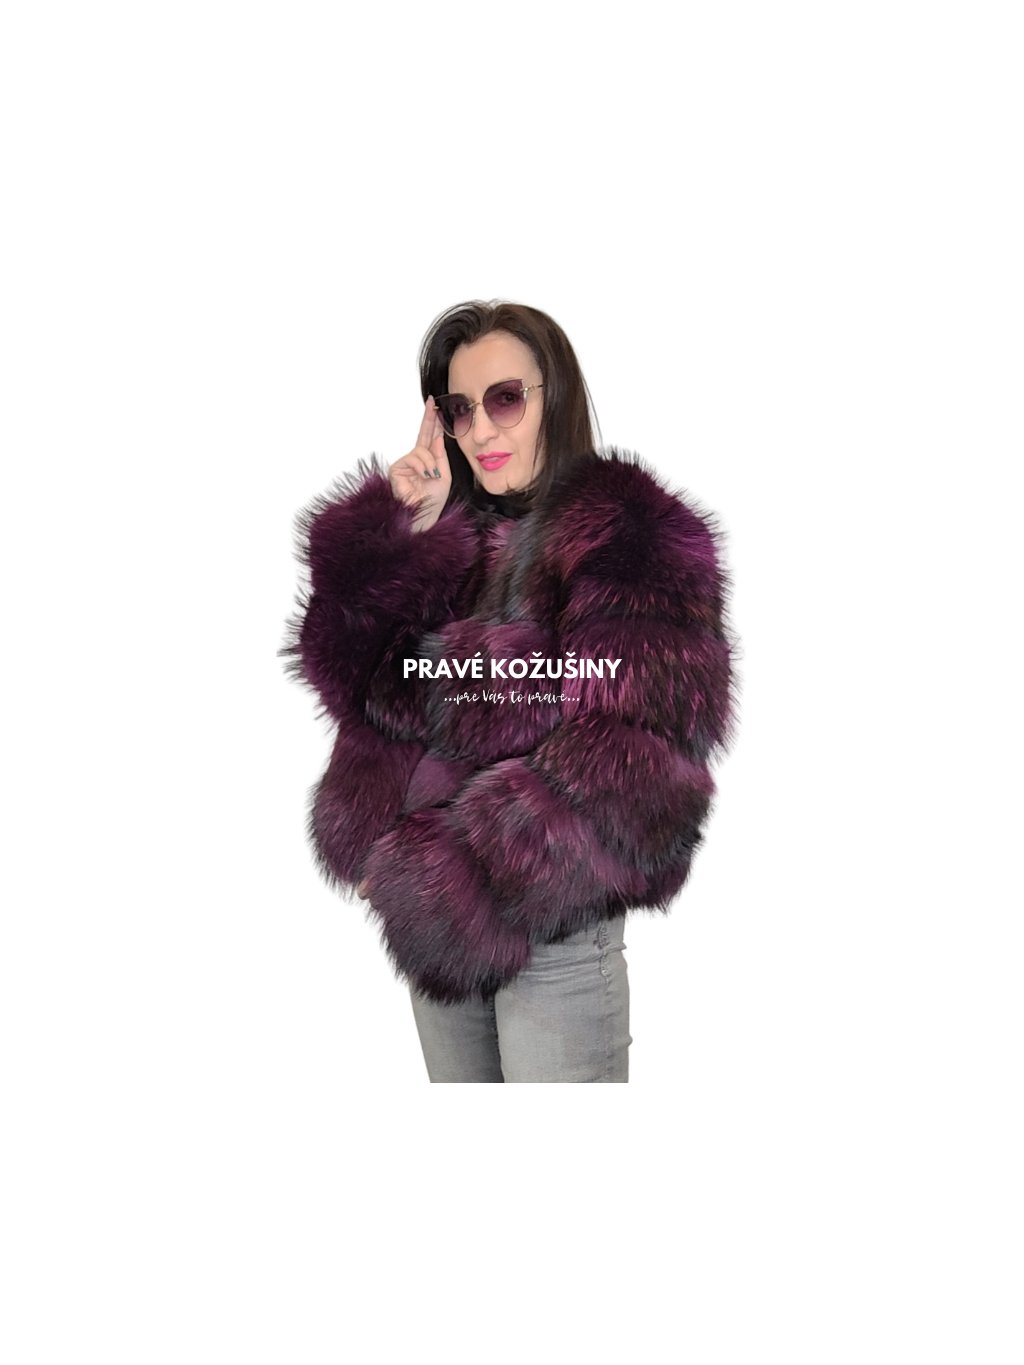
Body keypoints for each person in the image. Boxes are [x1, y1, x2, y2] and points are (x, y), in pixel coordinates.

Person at [280, 300, 738, 1082]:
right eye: (460, 409)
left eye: (505, 399)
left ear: (553, 396)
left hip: (555, 937)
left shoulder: (630, 535)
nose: (481, 430)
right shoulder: (451, 535)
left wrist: (446, 880)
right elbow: (359, 682)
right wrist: (399, 536)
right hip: (437, 938)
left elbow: (638, 765)